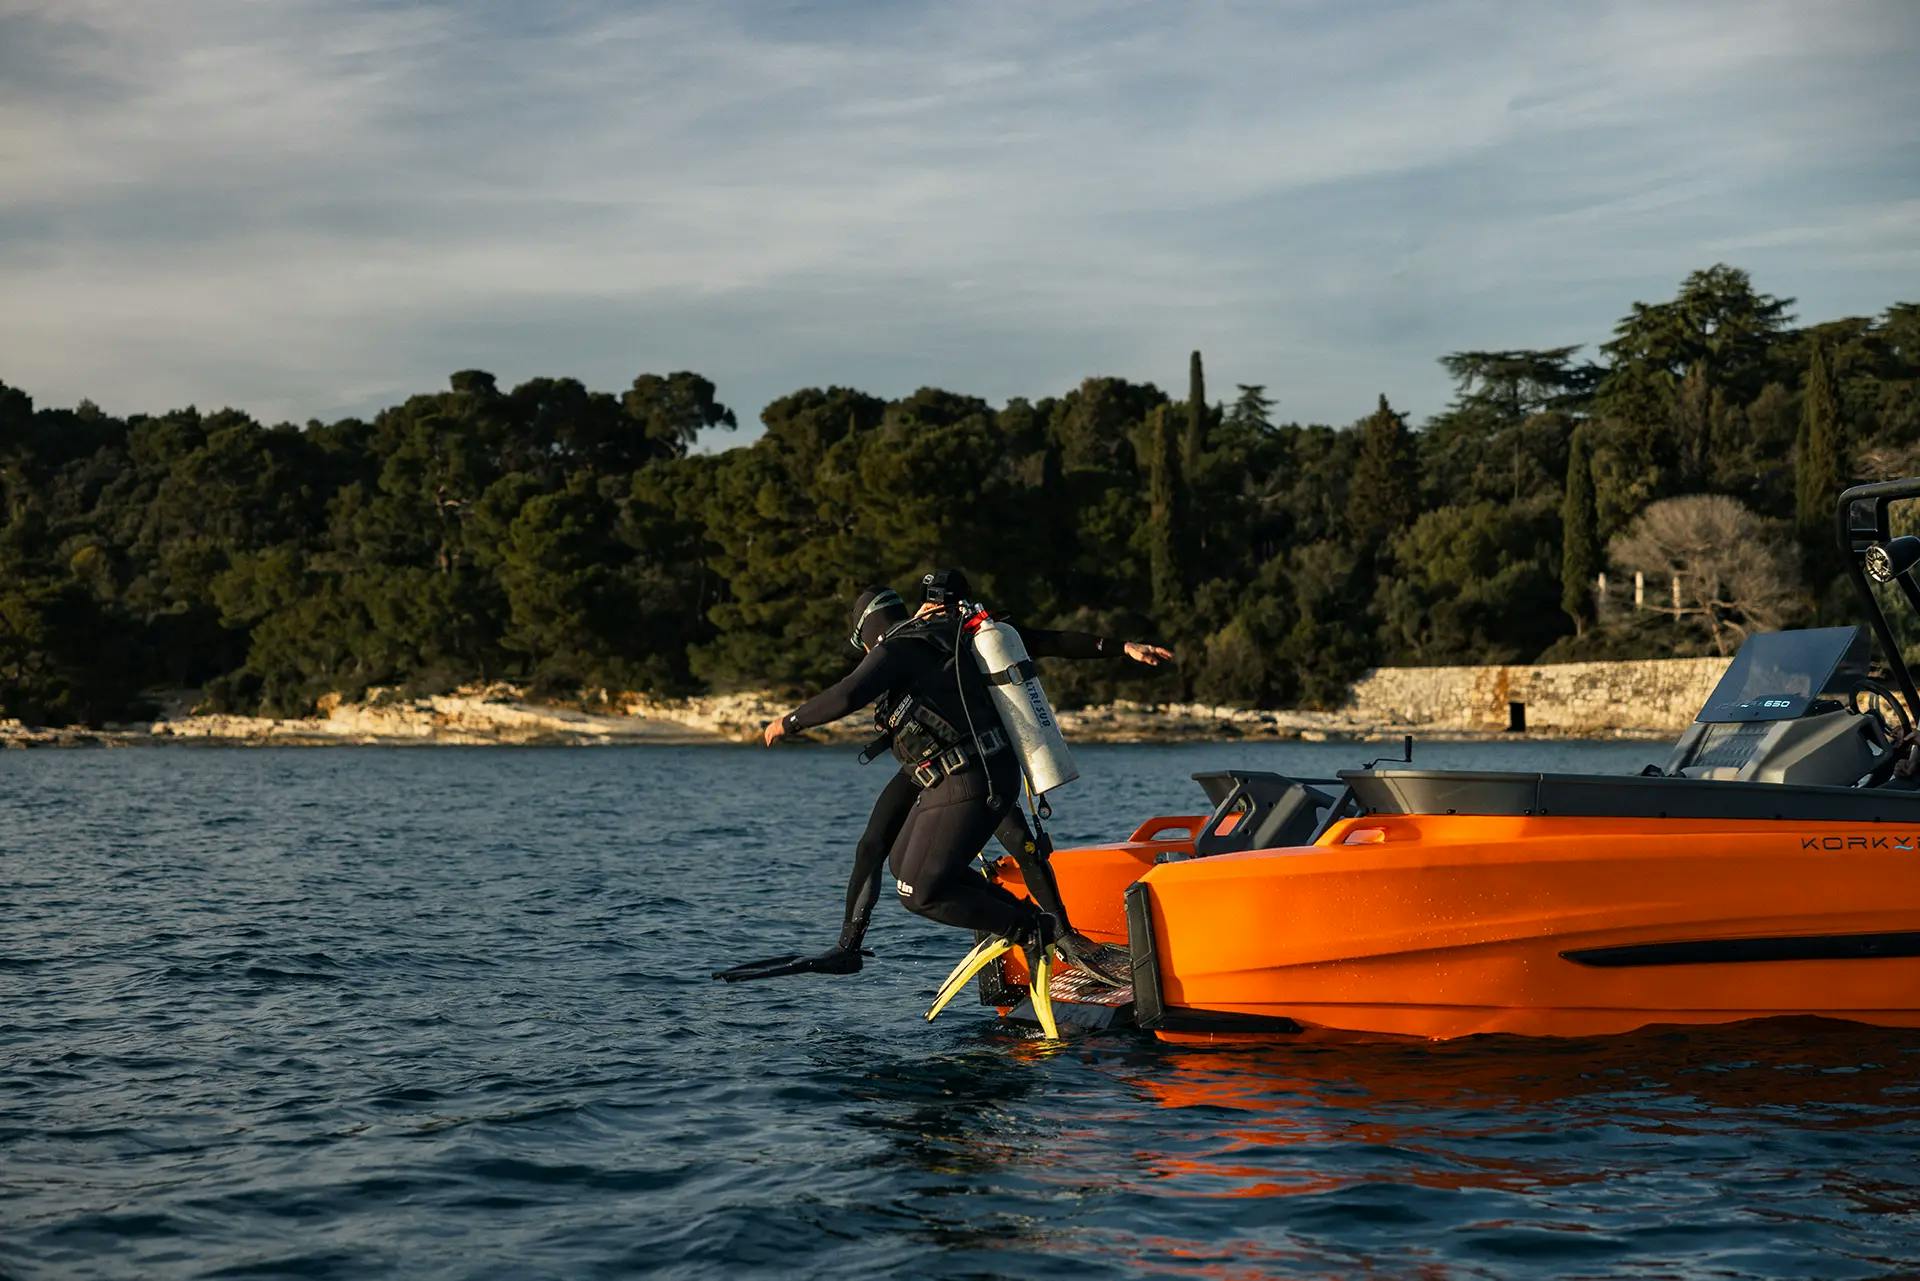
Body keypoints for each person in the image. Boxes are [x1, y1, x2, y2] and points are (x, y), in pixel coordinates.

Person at [715, 571, 1171, 982]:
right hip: (955, 772)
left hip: (971, 777)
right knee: (894, 860)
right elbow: (1044, 639)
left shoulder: (901, 647)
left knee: (921, 889)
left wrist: (789, 722)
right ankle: (1027, 926)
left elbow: (848, 692)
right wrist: (1120, 647)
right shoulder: (955, 636)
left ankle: (1040, 930)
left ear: (868, 635)